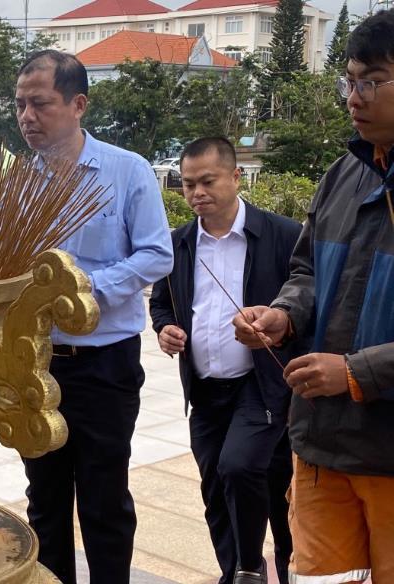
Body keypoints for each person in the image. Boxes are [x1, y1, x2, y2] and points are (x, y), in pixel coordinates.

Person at [232, 11, 394, 583]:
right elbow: (305, 271)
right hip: (321, 444)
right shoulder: (341, 176)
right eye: (349, 80)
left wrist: (355, 372)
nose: (355, 95)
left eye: (372, 80)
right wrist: (283, 314)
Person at [14, 49, 173, 584]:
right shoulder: (16, 182)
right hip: (35, 364)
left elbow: (156, 254)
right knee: (44, 496)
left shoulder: (127, 171)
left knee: (104, 498)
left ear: (78, 104)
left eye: (41, 104)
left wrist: (79, 292)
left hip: (105, 363)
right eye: (19, 105)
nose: (27, 117)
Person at [149, 137, 301, 584]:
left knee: (241, 466)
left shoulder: (283, 235)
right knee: (216, 486)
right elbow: (162, 303)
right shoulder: (177, 244)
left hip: (263, 383)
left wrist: (280, 325)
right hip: (205, 387)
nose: (197, 193)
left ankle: (256, 566)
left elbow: (305, 303)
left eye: (207, 181)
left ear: (235, 177)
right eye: (188, 184)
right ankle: (232, 570)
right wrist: (165, 328)